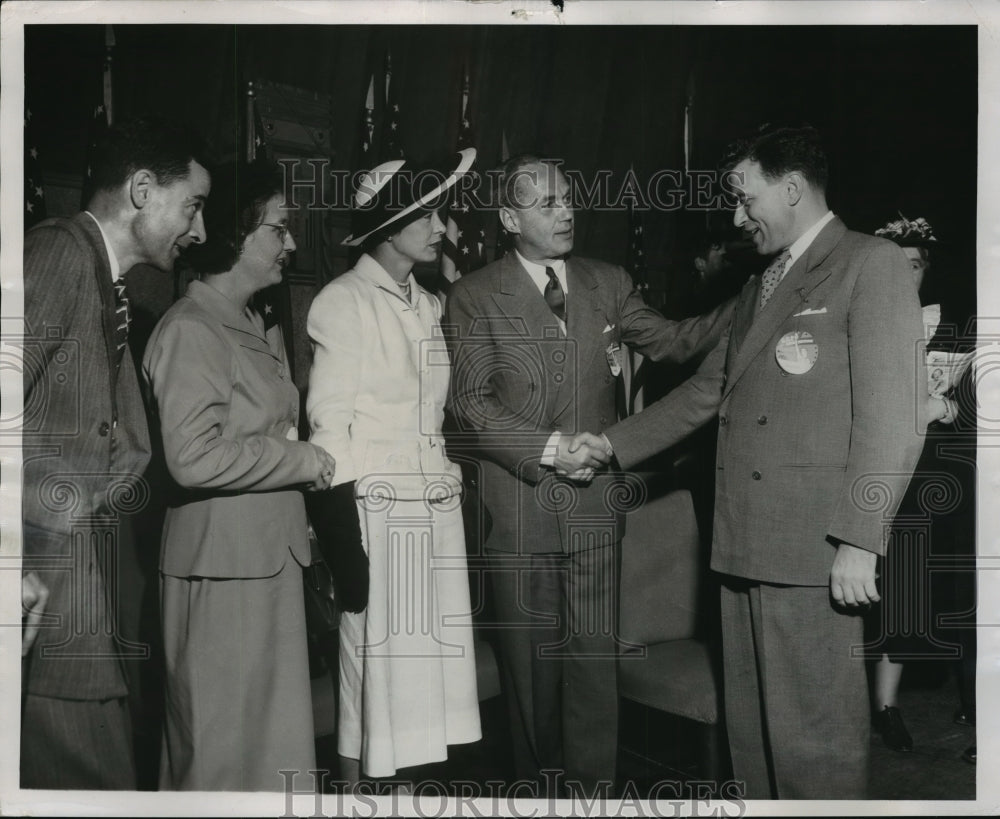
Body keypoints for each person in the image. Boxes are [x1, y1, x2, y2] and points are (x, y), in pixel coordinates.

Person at [601, 125, 927, 798]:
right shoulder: (759, 285)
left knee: (816, 744)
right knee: (752, 743)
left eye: (745, 198)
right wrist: (609, 445)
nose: (735, 215)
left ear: (792, 189)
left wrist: (861, 538)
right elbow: (706, 391)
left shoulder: (871, 263)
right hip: (742, 543)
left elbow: (895, 418)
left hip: (814, 549)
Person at [444, 154, 733, 795]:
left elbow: (676, 341)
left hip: (594, 517)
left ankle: (595, 798)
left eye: (569, 198)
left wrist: (757, 302)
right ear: (508, 217)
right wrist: (550, 447)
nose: (567, 211)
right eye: (547, 203)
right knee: (531, 682)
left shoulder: (607, 281)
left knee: (595, 674)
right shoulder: (472, 295)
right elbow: (469, 407)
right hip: (518, 516)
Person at [20, 116, 210, 790]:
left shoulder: (104, 281)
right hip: (41, 590)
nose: (201, 231)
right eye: (192, 204)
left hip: (73, 589)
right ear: (140, 190)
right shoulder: (58, 253)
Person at [143, 160, 337, 791]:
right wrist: (302, 461)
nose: (291, 243)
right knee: (222, 759)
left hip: (262, 567)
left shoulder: (249, 324)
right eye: (279, 229)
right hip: (221, 575)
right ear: (238, 235)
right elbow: (193, 456)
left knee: (269, 754)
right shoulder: (192, 329)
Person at [306, 149, 483, 786]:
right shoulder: (341, 302)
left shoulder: (428, 303)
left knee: (417, 681)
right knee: (370, 671)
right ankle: (356, 794)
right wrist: (342, 544)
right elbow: (329, 431)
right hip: (375, 520)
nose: (442, 228)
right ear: (395, 221)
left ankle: (399, 794)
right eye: (430, 215)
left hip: (433, 510)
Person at [866, 215, 977, 762]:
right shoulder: (863, 322)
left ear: (926, 270)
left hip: (943, 470)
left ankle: (976, 703)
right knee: (901, 585)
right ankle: (885, 708)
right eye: (894, 265)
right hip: (889, 473)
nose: (904, 275)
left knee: (958, 584)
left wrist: (953, 405)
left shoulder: (954, 325)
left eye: (913, 265)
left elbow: (977, 402)